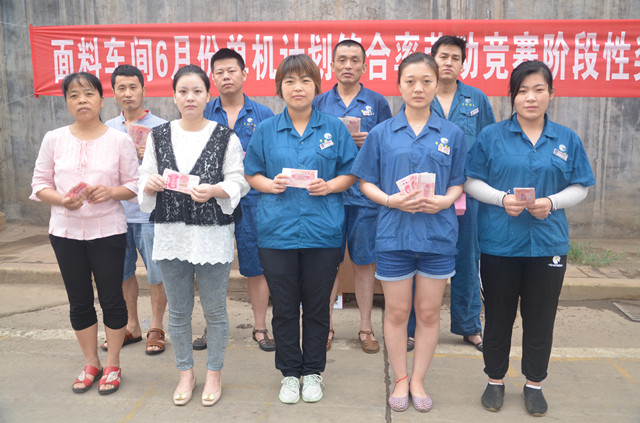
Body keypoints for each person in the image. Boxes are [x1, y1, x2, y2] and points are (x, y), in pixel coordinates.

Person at [465, 60, 595, 417]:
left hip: (548, 244)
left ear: (551, 94)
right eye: (522, 91)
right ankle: (495, 380)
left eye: (539, 90)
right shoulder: (491, 136)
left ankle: (534, 383)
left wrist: (552, 203)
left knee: (541, 317)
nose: (530, 98)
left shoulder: (566, 138)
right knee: (498, 316)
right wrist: (500, 199)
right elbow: (471, 180)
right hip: (500, 243)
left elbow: (581, 186)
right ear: (512, 96)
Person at [351, 52, 466, 413]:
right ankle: (401, 377)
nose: (418, 88)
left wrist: (445, 200)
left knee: (429, 313)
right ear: (399, 85)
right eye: (410, 81)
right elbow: (365, 182)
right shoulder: (382, 133)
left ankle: (418, 380)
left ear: (437, 84)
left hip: (437, 236)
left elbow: (459, 182)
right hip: (394, 235)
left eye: (426, 81)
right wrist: (390, 200)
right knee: (397, 312)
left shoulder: (452, 133)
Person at [244, 54, 358, 404]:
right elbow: (251, 172)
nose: (298, 87)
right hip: (276, 232)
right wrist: (269, 185)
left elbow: (351, 172)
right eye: (290, 81)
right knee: (285, 306)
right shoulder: (266, 129)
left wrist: (329, 186)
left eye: (305, 80)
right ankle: (290, 373)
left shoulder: (334, 128)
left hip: (322, 231)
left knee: (317, 305)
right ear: (280, 88)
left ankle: (313, 372)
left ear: (316, 87)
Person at [138, 64, 249, 406]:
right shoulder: (158, 136)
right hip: (171, 235)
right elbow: (143, 178)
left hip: (212, 237)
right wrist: (150, 183)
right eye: (183, 91)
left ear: (207, 95)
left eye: (197, 91)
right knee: (178, 311)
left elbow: (239, 181)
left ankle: (214, 371)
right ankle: (186, 372)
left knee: (215, 310)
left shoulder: (225, 136)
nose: (190, 98)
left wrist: (215, 190)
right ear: (174, 97)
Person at [30, 72, 139, 395]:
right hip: (65, 233)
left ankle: (114, 363)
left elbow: (134, 185)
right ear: (66, 102)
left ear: (102, 100)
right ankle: (91, 362)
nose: (82, 101)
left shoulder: (119, 140)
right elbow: (39, 183)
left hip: (108, 232)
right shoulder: (54, 138)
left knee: (111, 298)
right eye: (74, 95)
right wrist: (62, 200)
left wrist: (110, 192)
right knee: (79, 300)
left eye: (89, 94)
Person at [407, 35, 496, 352]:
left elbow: (489, 142)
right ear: (432, 60)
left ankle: (469, 325)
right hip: (425, 194)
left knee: (467, 258)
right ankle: (412, 329)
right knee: (420, 257)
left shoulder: (476, 99)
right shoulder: (419, 94)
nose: (448, 62)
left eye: (455, 58)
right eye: (443, 56)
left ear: (462, 64)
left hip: (467, 192)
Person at [192, 48, 276, 352]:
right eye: (219, 72)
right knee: (211, 265)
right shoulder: (202, 112)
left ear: (244, 73)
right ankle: (211, 325)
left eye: (231, 70)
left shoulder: (264, 115)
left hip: (252, 201)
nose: (226, 76)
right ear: (212, 78)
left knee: (256, 265)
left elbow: (272, 158)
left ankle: (260, 327)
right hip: (211, 200)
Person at [313, 39, 392, 353]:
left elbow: (389, 144)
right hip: (328, 195)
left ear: (364, 66)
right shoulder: (320, 102)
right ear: (332, 65)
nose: (348, 65)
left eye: (354, 60)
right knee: (327, 263)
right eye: (342, 59)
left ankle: (365, 327)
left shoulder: (377, 102)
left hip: (364, 197)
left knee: (363, 263)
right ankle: (326, 328)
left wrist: (368, 139)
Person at [103, 64, 168, 355]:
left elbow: (174, 172)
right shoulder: (107, 128)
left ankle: (156, 326)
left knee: (157, 272)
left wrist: (152, 157)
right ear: (113, 92)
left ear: (143, 89)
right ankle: (132, 325)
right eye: (121, 88)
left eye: (133, 87)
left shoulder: (162, 127)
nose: (128, 93)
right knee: (123, 272)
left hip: (151, 214)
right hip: (116, 214)